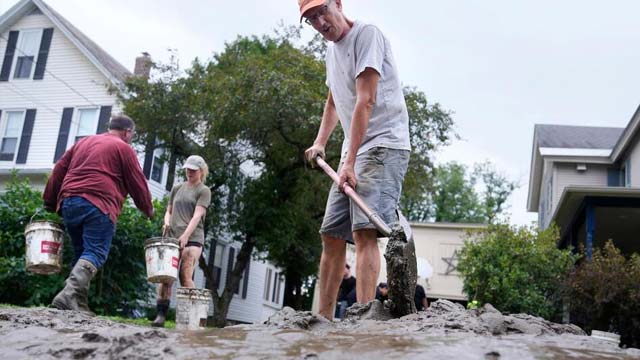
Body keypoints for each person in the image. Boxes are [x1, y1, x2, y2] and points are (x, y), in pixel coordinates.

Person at [299, 0, 411, 320]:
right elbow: (334, 101)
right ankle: (323, 319)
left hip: (384, 145)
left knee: (364, 232)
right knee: (331, 233)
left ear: (338, 4)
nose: (319, 22)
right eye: (310, 19)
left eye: (322, 12)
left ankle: (364, 320)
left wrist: (347, 164)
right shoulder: (332, 52)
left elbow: (366, 100)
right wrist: (320, 142)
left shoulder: (367, 36)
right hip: (355, 151)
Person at [43, 115, 153, 314]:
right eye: (132, 134)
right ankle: (68, 295)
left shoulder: (83, 142)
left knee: (82, 255)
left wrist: (49, 201)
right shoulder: (123, 148)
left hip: (69, 202)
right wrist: (148, 209)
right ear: (128, 132)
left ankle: (78, 305)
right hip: (98, 204)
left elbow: (58, 170)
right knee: (95, 252)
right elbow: (137, 181)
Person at [152, 155, 212, 327]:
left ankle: (192, 320)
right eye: (187, 169)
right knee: (166, 277)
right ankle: (161, 316)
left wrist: (185, 235)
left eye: (193, 170)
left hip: (193, 239)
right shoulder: (177, 188)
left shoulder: (203, 191)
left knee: (185, 275)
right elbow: (168, 211)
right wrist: (166, 222)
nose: (189, 172)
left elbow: (197, 215)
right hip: (172, 237)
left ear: (201, 171)